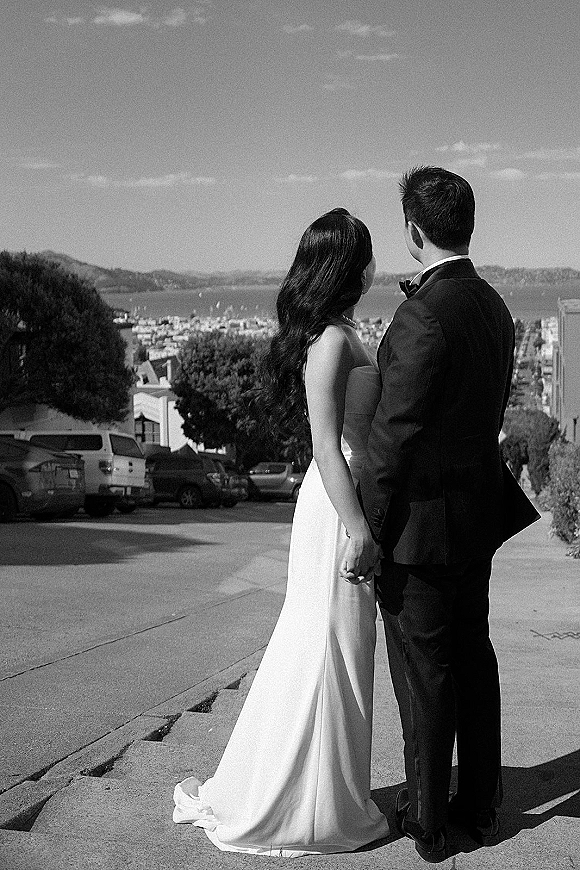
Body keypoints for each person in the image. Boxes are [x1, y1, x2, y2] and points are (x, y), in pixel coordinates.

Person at [172, 208, 390, 856]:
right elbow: (325, 445)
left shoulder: (342, 331)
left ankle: (323, 793)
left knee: (338, 649)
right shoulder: (329, 341)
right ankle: (305, 801)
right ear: (350, 266)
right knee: (325, 648)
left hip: (346, 500)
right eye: (368, 254)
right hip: (335, 507)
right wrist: (360, 531)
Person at [349, 166, 540, 862]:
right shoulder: (495, 307)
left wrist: (366, 527)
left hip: (421, 527)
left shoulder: (422, 315)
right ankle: (481, 804)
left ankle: (429, 819)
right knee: (473, 657)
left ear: (412, 231)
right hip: (475, 516)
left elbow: (393, 436)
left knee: (424, 668)